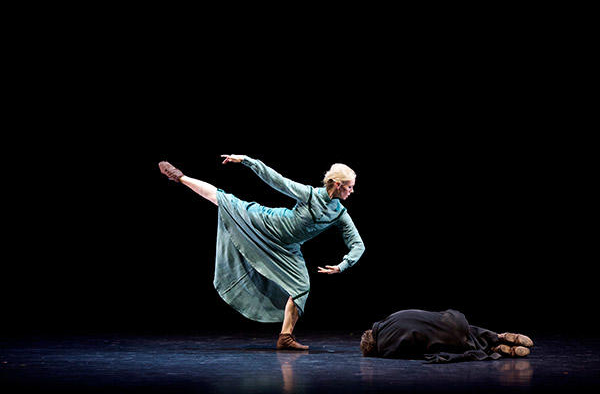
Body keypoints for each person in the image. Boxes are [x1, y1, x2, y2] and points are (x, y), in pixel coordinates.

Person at [158, 155, 365, 350]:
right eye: (350, 187)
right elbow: (276, 179)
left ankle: (285, 337)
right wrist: (247, 161)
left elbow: (358, 244)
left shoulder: (340, 213)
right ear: (338, 185)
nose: (351, 191)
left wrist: (343, 265)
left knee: (301, 287)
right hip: (268, 225)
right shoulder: (310, 194)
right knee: (225, 201)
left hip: (288, 249)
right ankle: (180, 177)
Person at [360, 309, 534, 363]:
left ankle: (498, 350)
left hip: (451, 340)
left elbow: (415, 355)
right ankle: (500, 336)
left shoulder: (386, 349)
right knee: (465, 330)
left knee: (451, 342)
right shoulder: (392, 318)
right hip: (454, 319)